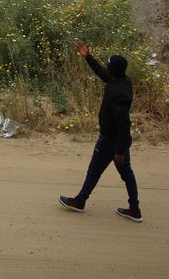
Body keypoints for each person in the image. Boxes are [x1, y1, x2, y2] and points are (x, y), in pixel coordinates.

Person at [58, 41, 141, 223]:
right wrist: (88, 57)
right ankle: (134, 208)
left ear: (113, 71)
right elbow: (103, 74)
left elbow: (123, 123)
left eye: (108, 66)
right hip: (119, 140)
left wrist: (119, 151)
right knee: (127, 173)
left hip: (111, 140)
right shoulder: (123, 81)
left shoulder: (116, 94)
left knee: (94, 171)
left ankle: (80, 201)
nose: (106, 68)